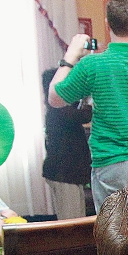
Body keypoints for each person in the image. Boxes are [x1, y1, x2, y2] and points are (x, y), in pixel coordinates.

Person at [49, 0, 128, 211]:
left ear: (108, 25)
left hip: (111, 161)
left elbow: (55, 99)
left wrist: (69, 57)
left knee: (114, 233)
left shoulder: (91, 65)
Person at [41, 67, 92, 220]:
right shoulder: (58, 110)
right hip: (64, 173)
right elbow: (85, 115)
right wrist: (89, 98)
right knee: (72, 221)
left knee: (76, 217)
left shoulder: (58, 109)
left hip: (67, 173)